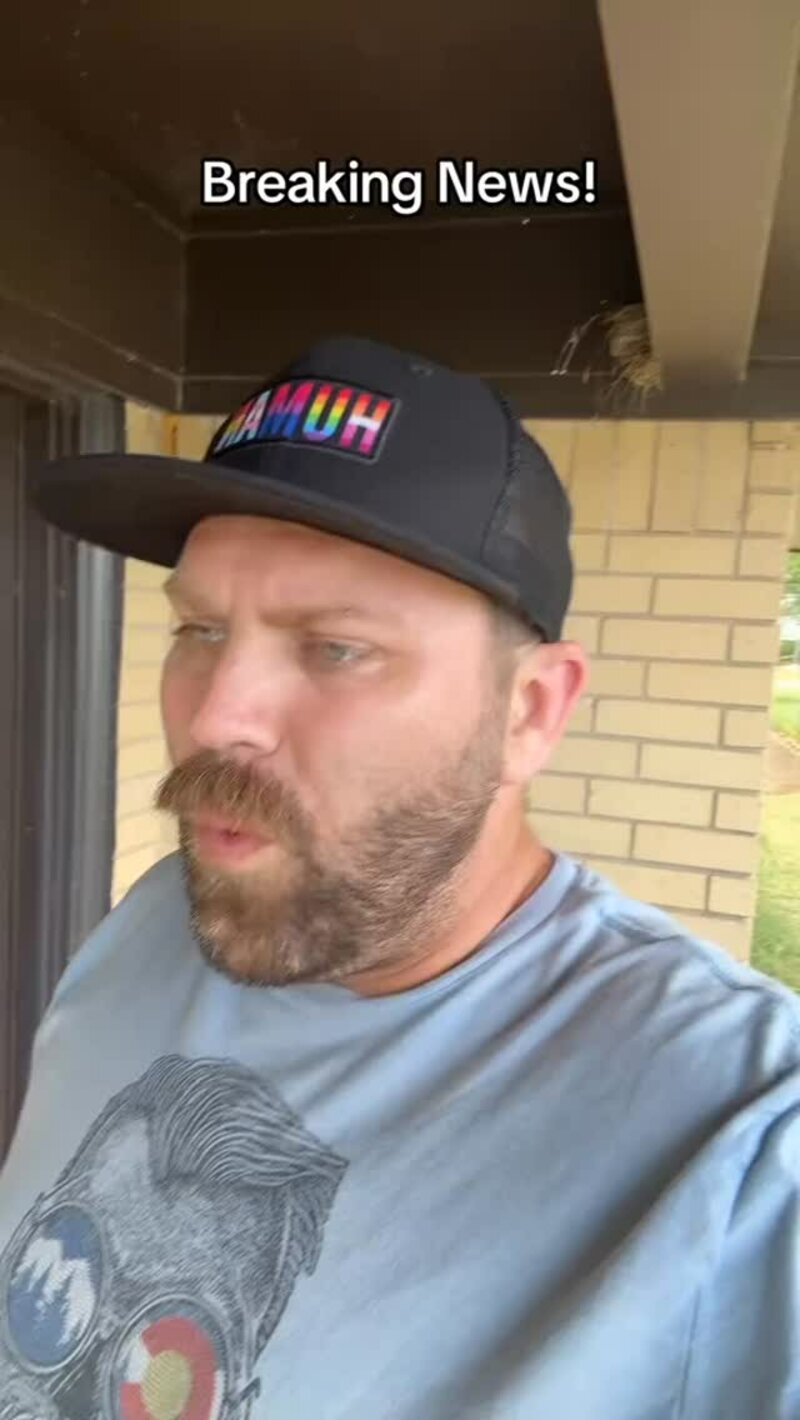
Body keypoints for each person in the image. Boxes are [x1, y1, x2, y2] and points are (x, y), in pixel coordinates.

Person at [0, 336, 798, 1420]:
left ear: (529, 712)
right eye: (199, 628)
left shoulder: (741, 1141)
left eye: (335, 647)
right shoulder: (152, 924)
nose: (216, 717)